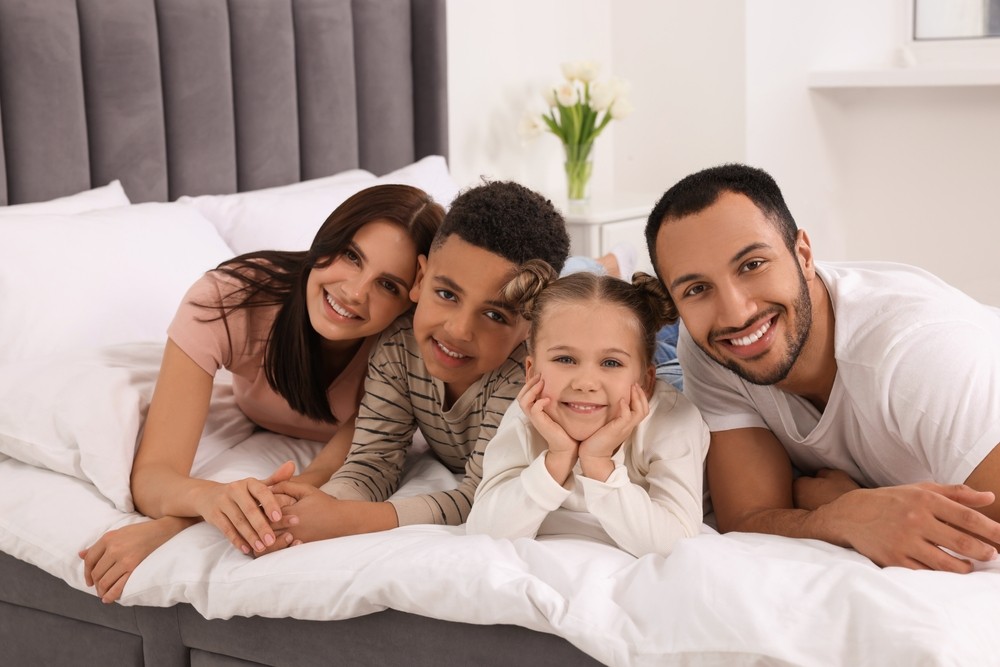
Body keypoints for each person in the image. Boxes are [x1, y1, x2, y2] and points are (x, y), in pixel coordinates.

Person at [79, 184, 444, 602]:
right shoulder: (229, 299)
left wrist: (171, 527)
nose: (355, 292)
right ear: (328, 238)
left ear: (411, 301)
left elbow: (318, 478)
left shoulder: (401, 348)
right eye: (351, 256)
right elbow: (152, 476)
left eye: (389, 286)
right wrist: (210, 497)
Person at [644, 162, 1000, 573]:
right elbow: (747, 516)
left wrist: (834, 501)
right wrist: (839, 514)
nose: (735, 313)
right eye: (697, 289)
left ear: (804, 255)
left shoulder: (919, 353)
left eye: (752, 265)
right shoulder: (711, 344)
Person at [260, 180, 572, 544]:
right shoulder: (398, 346)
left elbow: (482, 496)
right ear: (420, 279)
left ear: (531, 327)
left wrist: (348, 519)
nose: (458, 330)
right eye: (447, 294)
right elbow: (371, 463)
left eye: (495, 315)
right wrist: (305, 512)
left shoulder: (526, 377)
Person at [465, 267, 708, 557]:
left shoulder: (674, 419)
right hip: (619, 386)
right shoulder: (528, 413)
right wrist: (556, 460)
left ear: (645, 381)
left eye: (610, 363)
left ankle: (614, 263)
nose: (585, 383)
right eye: (565, 359)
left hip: (672, 375)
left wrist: (598, 463)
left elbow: (674, 541)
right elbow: (485, 531)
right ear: (531, 372)